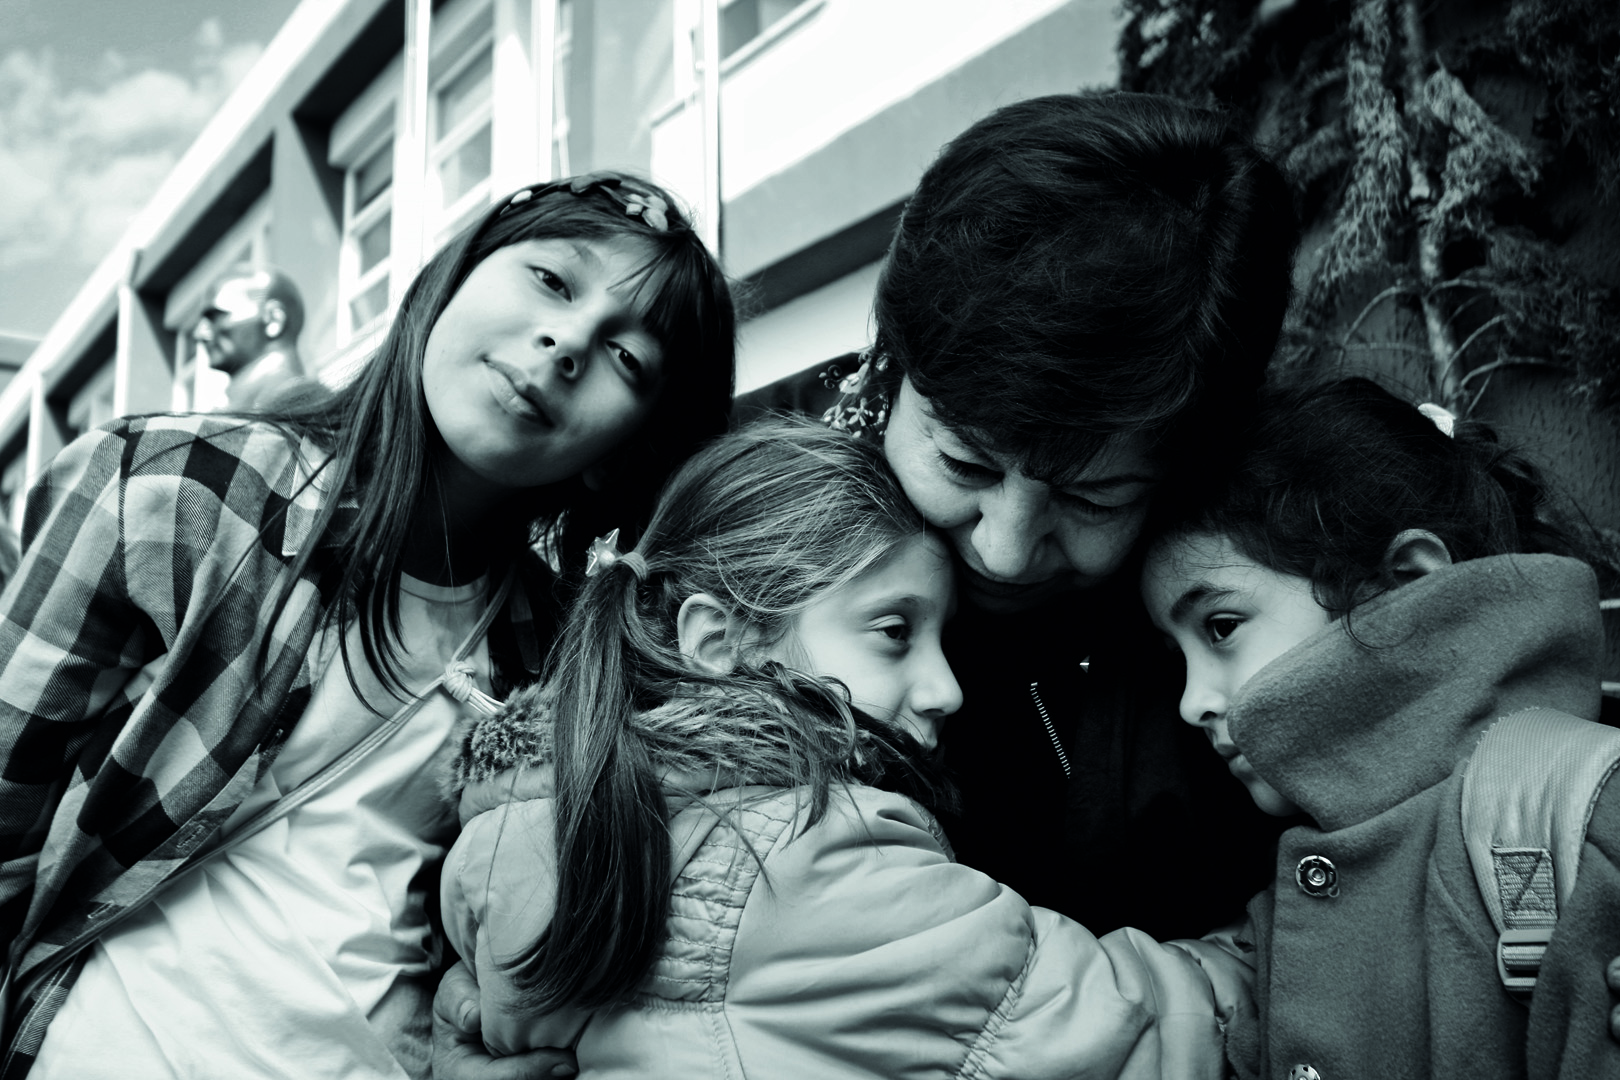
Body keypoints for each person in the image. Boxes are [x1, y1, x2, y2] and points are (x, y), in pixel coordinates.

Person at [0, 172, 734, 1080]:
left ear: (623, 455)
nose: (568, 343)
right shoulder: (171, 488)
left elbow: (488, 931)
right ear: (453, 278)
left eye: (628, 358)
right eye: (552, 280)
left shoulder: (560, 655)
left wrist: (464, 1039)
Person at [441, 417, 1254, 1078]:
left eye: (944, 641)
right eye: (895, 632)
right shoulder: (817, 855)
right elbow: (1119, 1034)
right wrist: (1266, 941)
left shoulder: (515, 842)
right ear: (719, 641)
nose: (947, 689)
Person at [738, 90, 1298, 940]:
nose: (1004, 551)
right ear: (892, 368)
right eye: (964, 464)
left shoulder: (1259, 584)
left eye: (1092, 499)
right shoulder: (744, 501)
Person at [1140, 377, 1620, 1079]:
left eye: (1221, 626)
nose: (1191, 703)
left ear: (1409, 583)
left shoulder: (1586, 821)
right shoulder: (1290, 888)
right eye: (1175, 655)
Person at [192, 265, 311, 412]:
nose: (199, 334)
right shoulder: (247, 407)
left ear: (273, 320)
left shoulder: (296, 404)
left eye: (216, 316)